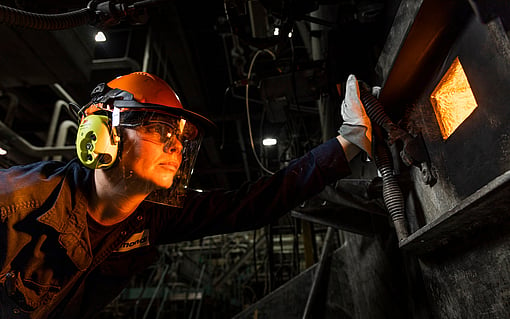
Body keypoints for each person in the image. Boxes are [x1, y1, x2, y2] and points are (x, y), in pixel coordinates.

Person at [0, 72, 372, 318]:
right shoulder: (17, 201)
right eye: (160, 129)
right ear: (100, 134)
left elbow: (251, 205)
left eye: (179, 136)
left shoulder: (153, 214)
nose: (175, 144)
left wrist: (348, 142)